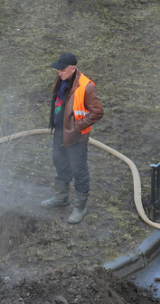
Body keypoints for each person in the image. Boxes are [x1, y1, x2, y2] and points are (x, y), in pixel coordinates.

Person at [40, 53, 104, 225]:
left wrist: (77, 126)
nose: (58, 73)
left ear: (72, 69)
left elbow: (97, 111)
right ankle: (61, 198)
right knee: (59, 162)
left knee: (79, 170)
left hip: (76, 136)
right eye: (57, 70)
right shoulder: (62, 78)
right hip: (60, 131)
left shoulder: (86, 86)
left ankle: (80, 208)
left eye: (62, 70)